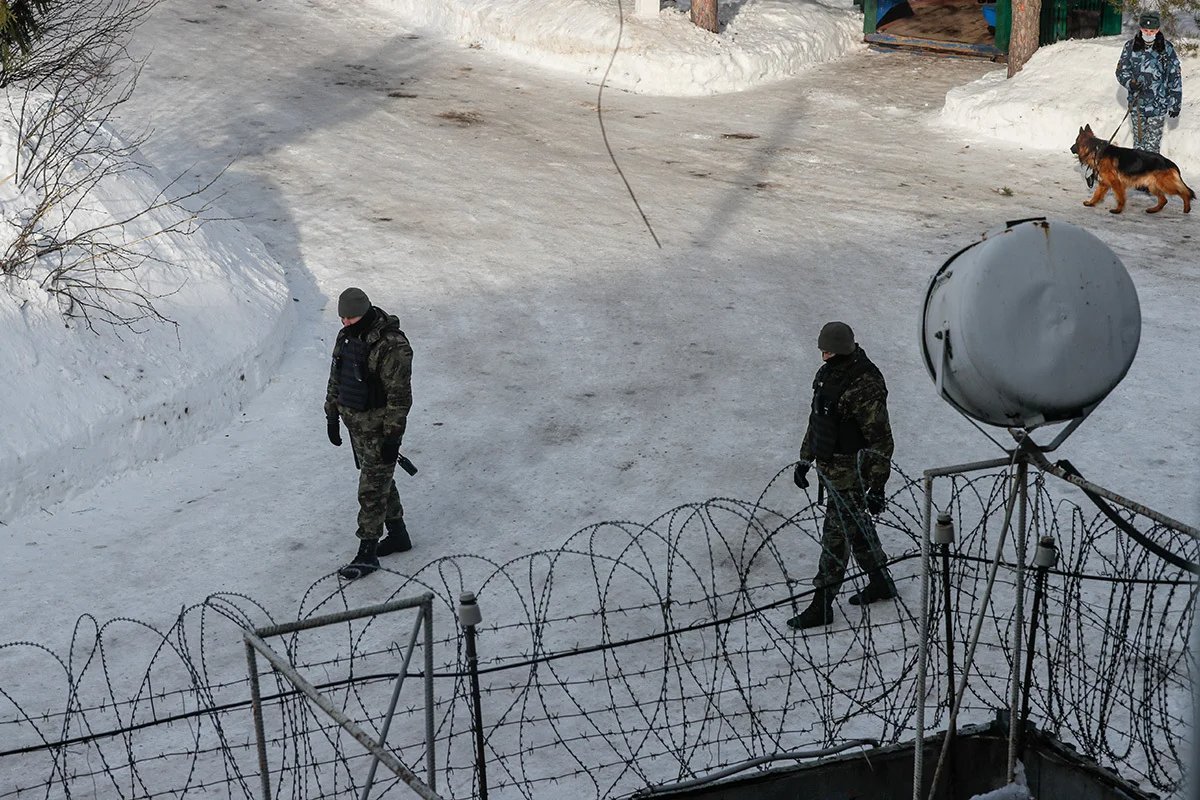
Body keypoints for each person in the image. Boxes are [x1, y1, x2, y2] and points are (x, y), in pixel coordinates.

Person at [788, 321, 896, 630]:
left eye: (829, 350)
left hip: (852, 474)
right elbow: (819, 419)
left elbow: (880, 440)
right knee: (856, 526)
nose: (824, 355)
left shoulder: (865, 384)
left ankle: (822, 604)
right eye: (822, 350)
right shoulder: (829, 374)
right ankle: (880, 582)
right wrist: (805, 458)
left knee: (835, 537)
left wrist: (877, 485)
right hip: (830, 468)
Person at [325, 287, 414, 580]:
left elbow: (399, 397)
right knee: (379, 481)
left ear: (364, 312)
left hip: (379, 429)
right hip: (356, 426)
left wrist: (393, 438)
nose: (345, 323)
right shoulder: (348, 336)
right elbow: (336, 375)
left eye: (350, 317)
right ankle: (399, 535)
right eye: (342, 318)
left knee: (371, 489)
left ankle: (367, 551)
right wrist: (332, 415)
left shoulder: (392, 346)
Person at [1116, 10, 1183, 155]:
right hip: (1137, 105)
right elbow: (1121, 71)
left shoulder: (1167, 48)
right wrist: (1130, 83)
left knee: (1152, 149)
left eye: (1152, 30)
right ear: (1140, 28)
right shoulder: (1130, 46)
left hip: (1157, 105)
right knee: (1139, 146)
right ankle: (1138, 177)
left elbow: (1174, 77)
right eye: (1145, 30)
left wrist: (1175, 103)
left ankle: (1152, 177)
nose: (1148, 33)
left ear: (1158, 30)